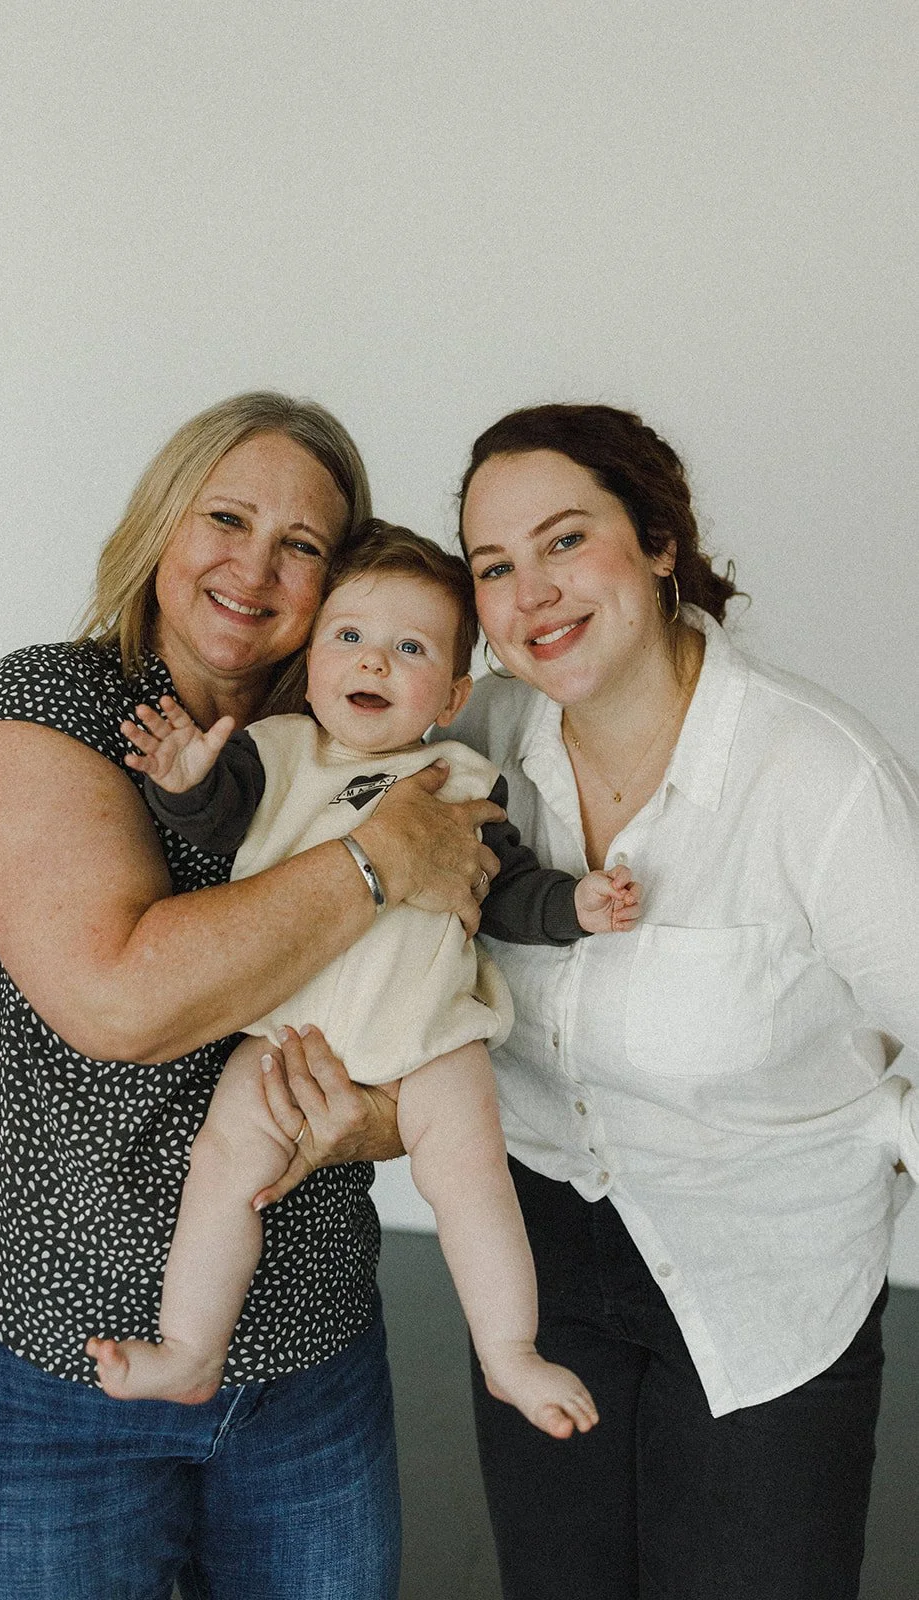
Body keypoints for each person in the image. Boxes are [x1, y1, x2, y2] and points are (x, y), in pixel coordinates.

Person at [0, 393, 507, 1600]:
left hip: (304, 1334)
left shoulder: (361, 744)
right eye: (226, 516)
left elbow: (429, 1005)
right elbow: (120, 1000)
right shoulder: (42, 709)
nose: (254, 565)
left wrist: (381, 1117)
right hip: (37, 1341)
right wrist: (379, 859)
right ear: (162, 526)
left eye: (303, 544)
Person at [452, 401, 919, 1600]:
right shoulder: (482, 741)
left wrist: (886, 1148)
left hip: (759, 1271)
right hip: (540, 1260)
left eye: (565, 541)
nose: (531, 593)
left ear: (659, 541)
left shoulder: (812, 775)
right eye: (493, 566)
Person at [86, 521, 640, 1435]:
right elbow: (214, 822)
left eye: (409, 648)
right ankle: (190, 1350)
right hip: (282, 1034)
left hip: (427, 1038)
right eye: (348, 638)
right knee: (222, 1163)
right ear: (309, 661)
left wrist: (574, 906)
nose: (373, 662)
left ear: (452, 693)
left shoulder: (456, 776)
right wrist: (183, 779)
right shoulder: (277, 753)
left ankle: (509, 1351)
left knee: (470, 1179)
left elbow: (505, 891)